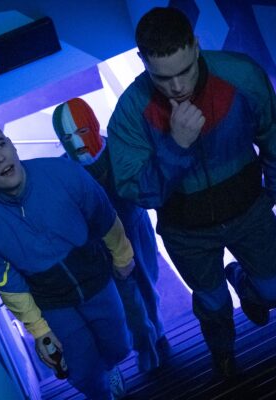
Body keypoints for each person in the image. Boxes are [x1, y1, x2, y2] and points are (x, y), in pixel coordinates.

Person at [107, 7, 276, 378]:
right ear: (142, 61)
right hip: (186, 232)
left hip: (250, 211)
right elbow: (137, 192)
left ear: (196, 46)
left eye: (184, 70)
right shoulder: (130, 111)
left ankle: (241, 279)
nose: (177, 87)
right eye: (163, 77)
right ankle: (222, 352)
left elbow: (273, 136)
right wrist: (176, 147)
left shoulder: (241, 75)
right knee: (212, 303)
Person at [0, 120, 134, 399]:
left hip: (96, 280)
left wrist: (123, 256)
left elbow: (103, 216)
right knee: (81, 369)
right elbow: (7, 280)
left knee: (119, 346)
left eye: (0, 144)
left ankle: (110, 367)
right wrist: (39, 330)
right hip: (50, 301)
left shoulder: (63, 172)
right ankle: (101, 395)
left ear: (11, 144)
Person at [52, 98, 171, 372]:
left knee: (148, 284)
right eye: (67, 137)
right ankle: (146, 345)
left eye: (82, 131)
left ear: (93, 125)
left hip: (135, 228)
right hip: (100, 244)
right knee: (126, 299)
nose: (76, 142)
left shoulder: (119, 148)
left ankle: (158, 334)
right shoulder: (65, 171)